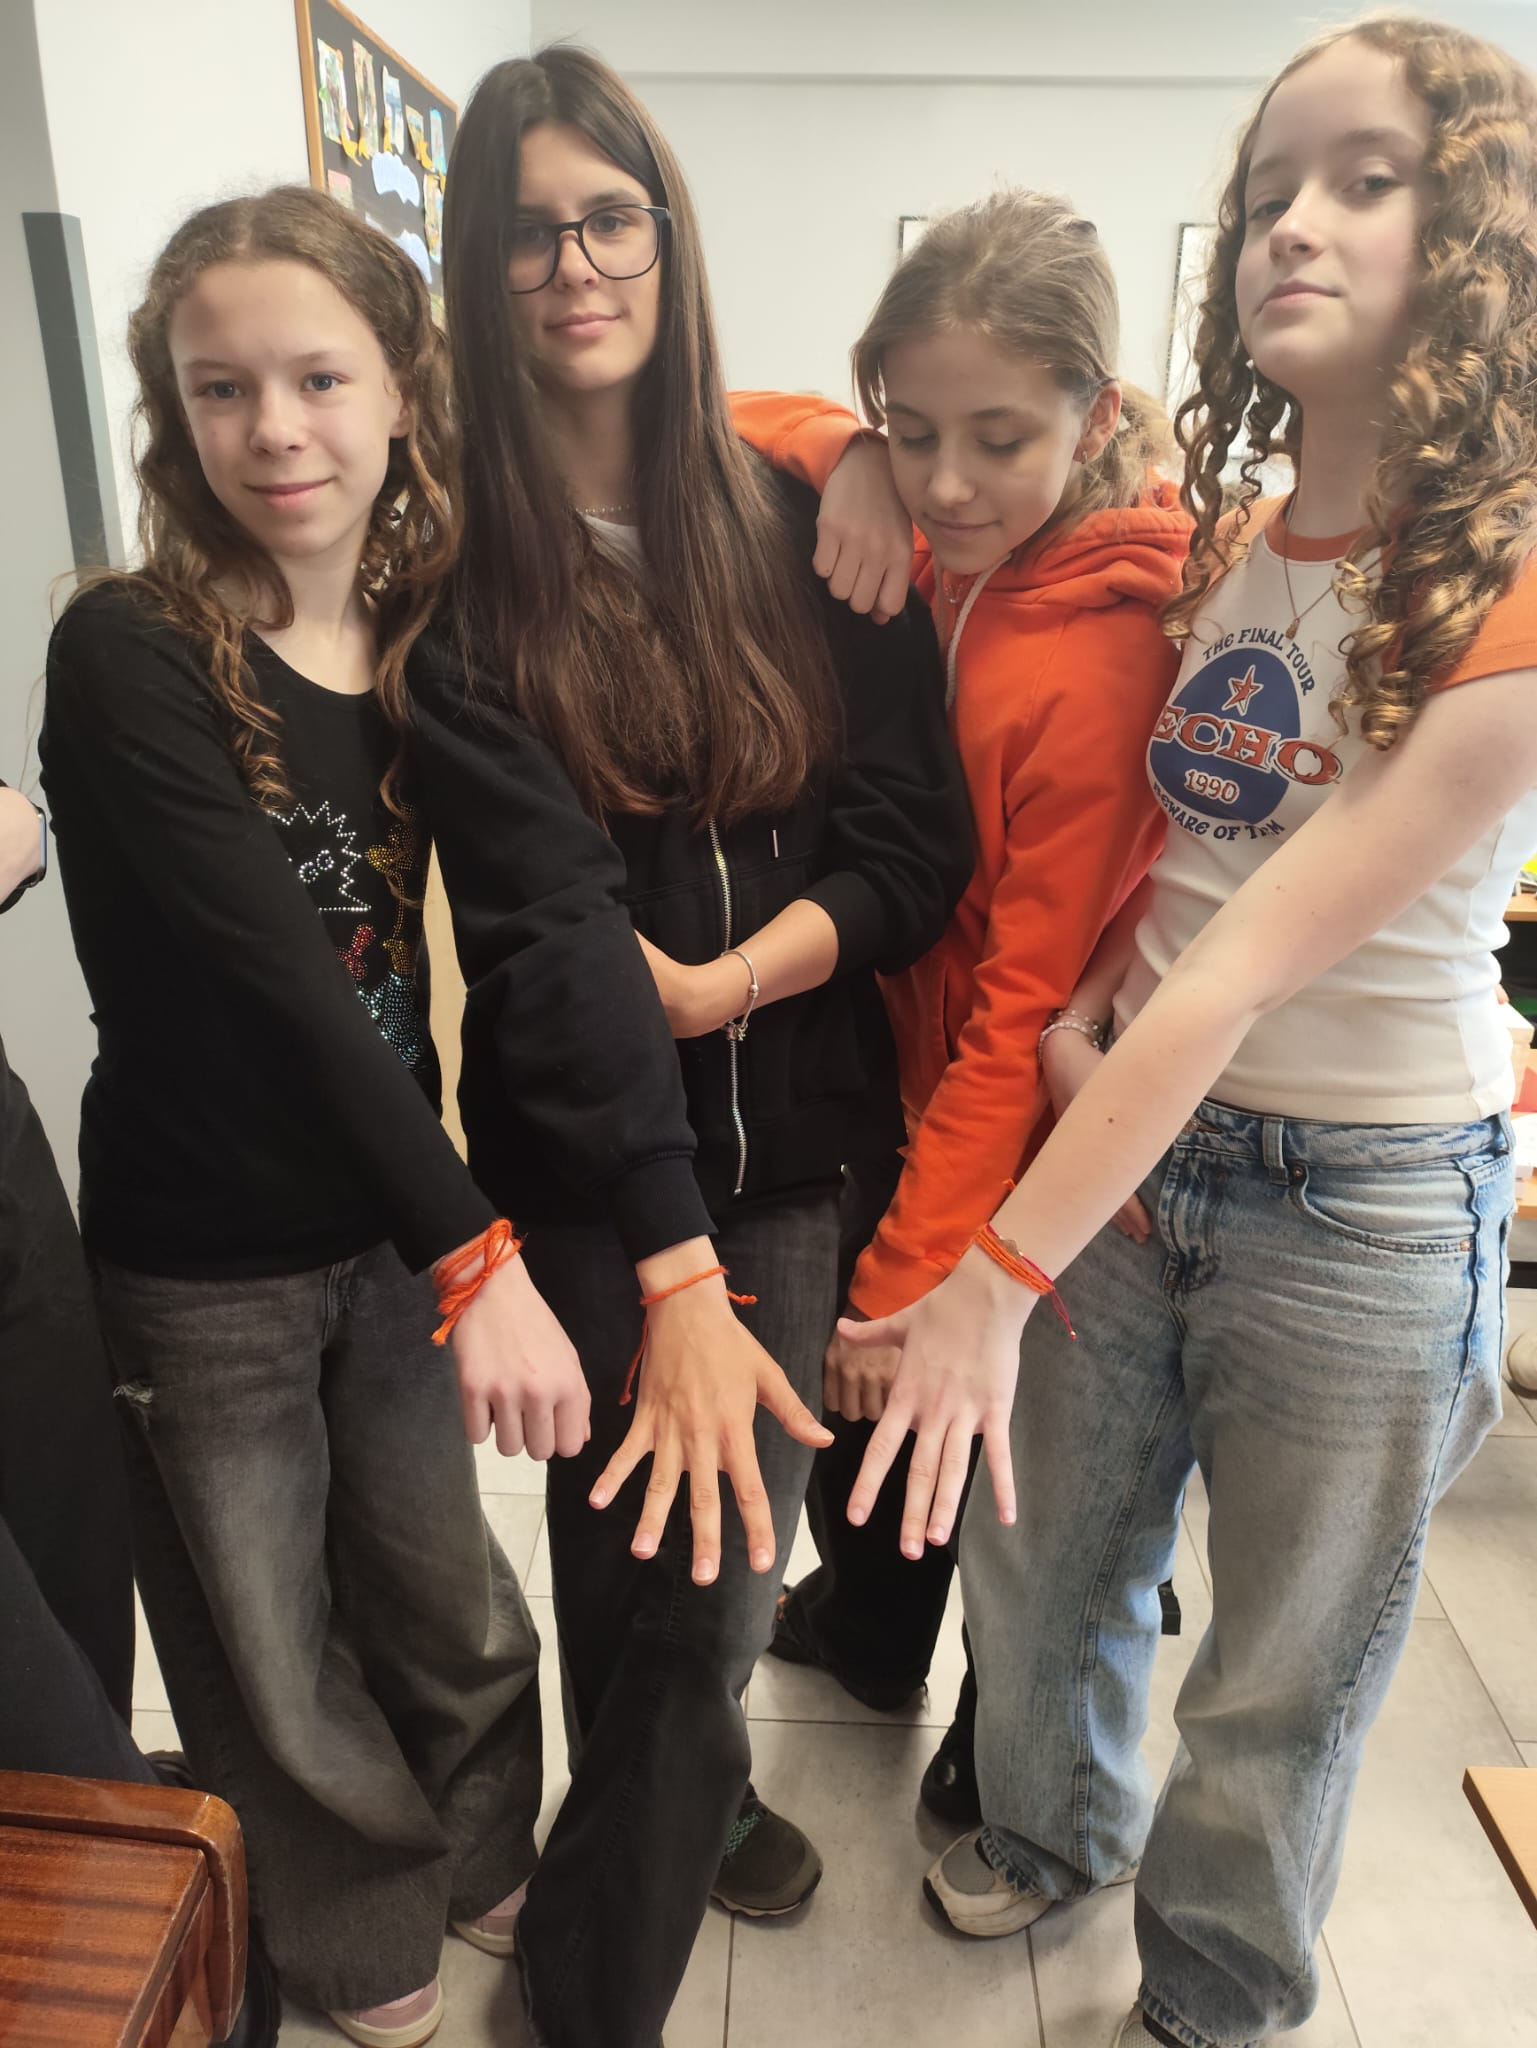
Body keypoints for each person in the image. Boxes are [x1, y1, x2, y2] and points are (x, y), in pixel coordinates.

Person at [836, 18, 1537, 2047]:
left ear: (1475, 235)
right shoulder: (1221, 547)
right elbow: (1173, 878)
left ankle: (1217, 1985)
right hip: (1139, 1140)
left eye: (1365, 180)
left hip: (1364, 1195)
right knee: (1046, 1564)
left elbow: (1242, 966)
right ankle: (1051, 1832)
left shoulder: (1502, 585)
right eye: (1267, 190)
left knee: (1283, 1662)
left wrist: (988, 1273)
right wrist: (865, 468)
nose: (1291, 224)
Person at [38, 185, 731, 2048]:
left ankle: (482, 1843)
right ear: (174, 414)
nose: (275, 429)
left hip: (390, 1233)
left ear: (404, 391)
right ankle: (354, 1925)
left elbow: (554, 896)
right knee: (268, 1639)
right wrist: (479, 1254)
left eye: (319, 378)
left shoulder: (436, 641)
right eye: (221, 389)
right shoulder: (127, 652)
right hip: (204, 1264)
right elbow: (279, 978)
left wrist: (859, 459)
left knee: (449, 1596)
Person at [435, 46, 971, 2048]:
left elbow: (911, 837)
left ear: (665, 233)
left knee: (706, 1594)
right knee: (647, 1600)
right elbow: (549, 936)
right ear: (476, 271)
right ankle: (601, 1980)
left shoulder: (802, 521)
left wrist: (736, 984)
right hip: (596, 1182)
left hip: (795, 1154)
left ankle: (676, 1820)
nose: (573, 266)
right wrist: (669, 1263)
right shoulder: (458, 578)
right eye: (525, 233)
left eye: (608, 217)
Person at [731, 192, 1192, 1811]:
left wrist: (920, 1269)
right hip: (899, 1068)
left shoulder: (1105, 655)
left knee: (999, 1444)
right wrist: (842, 452)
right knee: (879, 1431)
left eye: (997, 438)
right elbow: (713, 408)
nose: (944, 483)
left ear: (1095, 414)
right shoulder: (943, 538)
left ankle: (1005, 1750)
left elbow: (1021, 1005)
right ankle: (869, 1635)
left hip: (1029, 1113)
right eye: (911, 431)